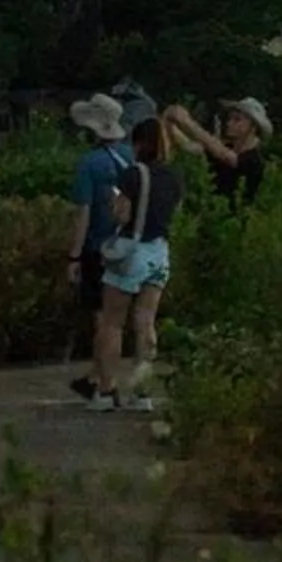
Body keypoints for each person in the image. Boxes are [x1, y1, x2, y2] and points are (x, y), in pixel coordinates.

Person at [89, 112, 185, 411]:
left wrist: (113, 206)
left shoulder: (133, 174)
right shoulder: (174, 177)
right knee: (146, 322)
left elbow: (122, 214)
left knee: (112, 322)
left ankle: (106, 391)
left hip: (132, 251)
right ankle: (142, 393)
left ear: (140, 143)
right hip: (160, 252)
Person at [64, 93, 136, 393]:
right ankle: (97, 375)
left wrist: (74, 255)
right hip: (129, 245)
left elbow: (84, 212)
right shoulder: (131, 157)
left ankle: (104, 380)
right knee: (119, 317)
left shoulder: (89, 164)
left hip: (98, 247)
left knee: (101, 317)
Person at [165, 94, 270, 208]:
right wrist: (169, 124)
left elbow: (226, 156)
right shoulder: (227, 147)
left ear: (253, 127)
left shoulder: (255, 159)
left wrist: (187, 122)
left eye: (237, 119)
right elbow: (190, 146)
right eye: (230, 118)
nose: (229, 123)